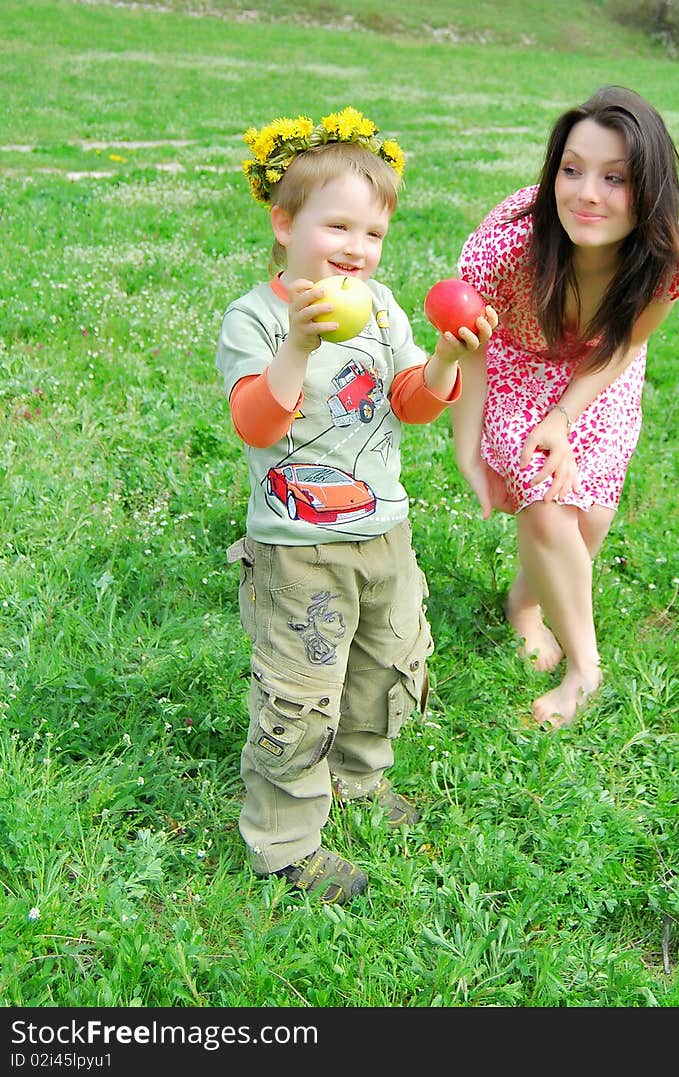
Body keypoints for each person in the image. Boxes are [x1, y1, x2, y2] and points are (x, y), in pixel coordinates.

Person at [217, 106, 496, 903]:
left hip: (385, 530)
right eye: (337, 225)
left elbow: (411, 402)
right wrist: (300, 345)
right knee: (299, 690)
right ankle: (285, 841)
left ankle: (360, 780)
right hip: (299, 545)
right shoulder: (259, 318)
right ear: (283, 221)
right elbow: (256, 419)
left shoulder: (379, 308)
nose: (356, 249)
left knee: (386, 664)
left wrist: (445, 355)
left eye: (372, 233)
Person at [450, 85, 679, 730]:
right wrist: (469, 448)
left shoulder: (665, 259)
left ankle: (524, 601)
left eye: (614, 178)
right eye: (571, 169)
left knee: (589, 519)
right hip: (517, 360)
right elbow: (469, 347)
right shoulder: (508, 247)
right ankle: (585, 670)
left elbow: (625, 343)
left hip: (602, 369)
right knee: (546, 507)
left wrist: (565, 417)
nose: (586, 193)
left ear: (648, 190)